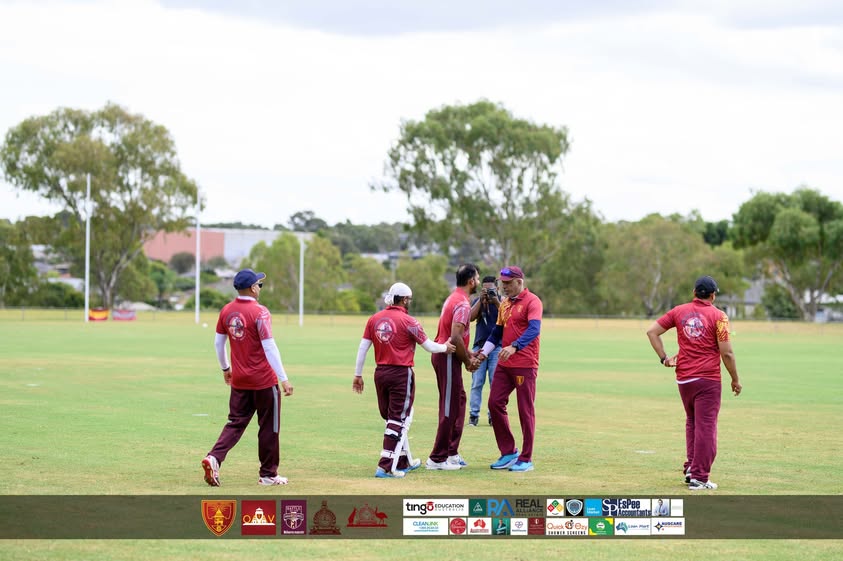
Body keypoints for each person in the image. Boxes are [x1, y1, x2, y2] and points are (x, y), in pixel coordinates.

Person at [646, 275, 742, 491]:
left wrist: (664, 358)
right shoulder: (719, 317)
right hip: (708, 379)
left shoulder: (679, 311)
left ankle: (691, 468)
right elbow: (726, 353)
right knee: (706, 427)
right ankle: (700, 476)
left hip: (684, 379)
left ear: (694, 293)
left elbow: (652, 331)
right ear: (713, 295)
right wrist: (735, 379)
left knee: (693, 423)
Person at [201, 268, 294, 487]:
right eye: (259, 285)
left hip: (239, 380)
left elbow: (218, 343)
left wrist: (226, 368)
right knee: (269, 428)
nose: (260, 288)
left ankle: (214, 458)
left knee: (235, 423)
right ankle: (268, 475)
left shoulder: (226, 311)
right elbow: (269, 346)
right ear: (252, 288)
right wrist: (284, 378)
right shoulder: (260, 312)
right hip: (264, 381)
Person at [353, 282, 456, 478]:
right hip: (401, 374)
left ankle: (403, 460)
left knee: (393, 418)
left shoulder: (373, 319)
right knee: (398, 420)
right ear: (405, 299)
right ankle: (385, 466)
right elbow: (429, 346)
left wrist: (358, 375)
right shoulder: (410, 321)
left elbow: (362, 348)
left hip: (380, 374)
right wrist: (446, 347)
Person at [475, 266, 543, 472]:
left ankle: (526, 458)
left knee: (525, 410)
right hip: (505, 365)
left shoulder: (533, 301)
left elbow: (534, 329)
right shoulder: (504, 304)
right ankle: (509, 452)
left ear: (519, 282)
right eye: (502, 283)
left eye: (507, 283)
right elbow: (496, 333)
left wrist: (515, 346)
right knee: (494, 403)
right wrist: (482, 354)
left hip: (525, 364)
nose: (503, 287)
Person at [426, 264, 480, 470]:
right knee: (449, 406)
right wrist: (467, 361)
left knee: (459, 401)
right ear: (471, 281)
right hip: (447, 357)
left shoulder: (456, 297)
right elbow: (455, 337)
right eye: (477, 278)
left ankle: (451, 452)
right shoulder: (462, 303)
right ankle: (437, 458)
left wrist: (468, 354)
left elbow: (459, 338)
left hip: (449, 356)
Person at [468, 275, 502, 426]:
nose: (488, 293)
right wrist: (481, 301)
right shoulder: (478, 301)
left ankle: (492, 415)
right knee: (477, 382)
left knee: (495, 383)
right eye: (485, 290)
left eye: (491, 290)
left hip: (497, 347)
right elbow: (470, 317)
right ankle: (473, 415)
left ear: (498, 288)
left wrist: (495, 300)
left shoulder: (503, 302)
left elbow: (508, 317)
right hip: (479, 346)